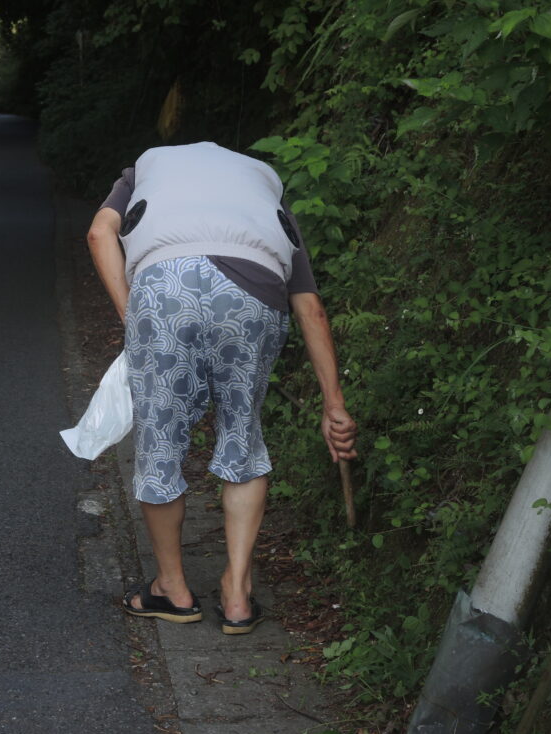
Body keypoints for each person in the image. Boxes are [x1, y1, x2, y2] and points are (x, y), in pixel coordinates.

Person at [86, 141, 357, 635]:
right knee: (242, 437)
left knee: (160, 442)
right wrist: (333, 404)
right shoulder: (265, 190)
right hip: (254, 291)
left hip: (165, 288)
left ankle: (173, 589)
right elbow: (309, 306)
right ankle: (237, 596)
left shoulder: (141, 171)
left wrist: (135, 320)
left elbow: (99, 233)